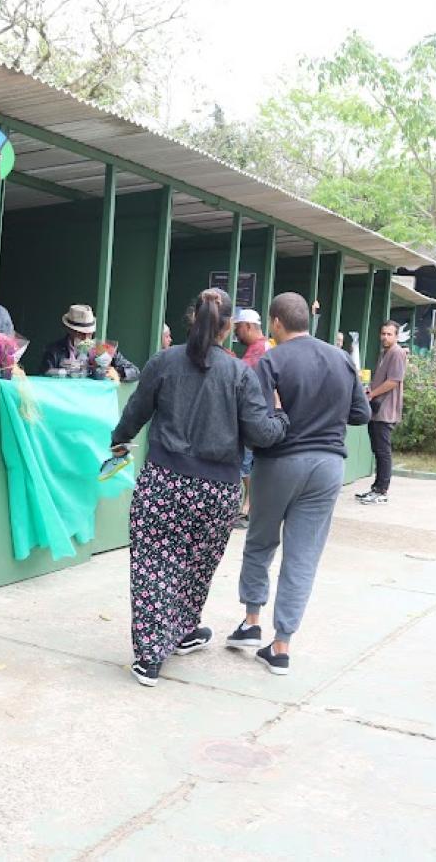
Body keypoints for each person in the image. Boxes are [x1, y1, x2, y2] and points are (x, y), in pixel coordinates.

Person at [110, 288, 289, 687]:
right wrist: (282, 419)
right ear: (228, 327)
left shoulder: (164, 362)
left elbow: (136, 412)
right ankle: (184, 629)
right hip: (217, 491)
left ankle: (150, 657)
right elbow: (261, 433)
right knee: (195, 566)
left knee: (154, 566)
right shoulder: (240, 373)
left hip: (164, 482)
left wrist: (117, 439)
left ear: (194, 317)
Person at [230, 292, 370, 675]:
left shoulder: (272, 360)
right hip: (328, 467)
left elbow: (257, 421)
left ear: (275, 322)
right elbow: (362, 413)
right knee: (303, 556)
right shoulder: (341, 358)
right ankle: (281, 645)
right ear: (306, 319)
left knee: (260, 541)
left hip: (280, 463)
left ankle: (251, 622)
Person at [357, 321, 408, 505]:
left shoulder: (397, 353)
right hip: (377, 409)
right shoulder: (384, 353)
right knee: (378, 451)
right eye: (383, 333)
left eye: (389, 334)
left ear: (396, 336)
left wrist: (373, 393)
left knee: (383, 452)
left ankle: (382, 490)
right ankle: (376, 487)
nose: (385, 337)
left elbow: (394, 381)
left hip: (386, 411)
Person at [40, 303, 139, 381]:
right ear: (69, 330)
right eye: (81, 333)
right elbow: (44, 377)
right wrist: (63, 372)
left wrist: (118, 373)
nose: (86, 337)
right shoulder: (53, 351)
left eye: (89, 333)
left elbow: (134, 371)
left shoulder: (102, 349)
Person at [233, 308, 268, 527]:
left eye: (238, 328)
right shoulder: (262, 346)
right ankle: (248, 506)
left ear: (248, 326)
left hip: (252, 415)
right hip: (257, 415)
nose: (236, 333)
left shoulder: (260, 349)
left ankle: (249, 507)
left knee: (246, 465)